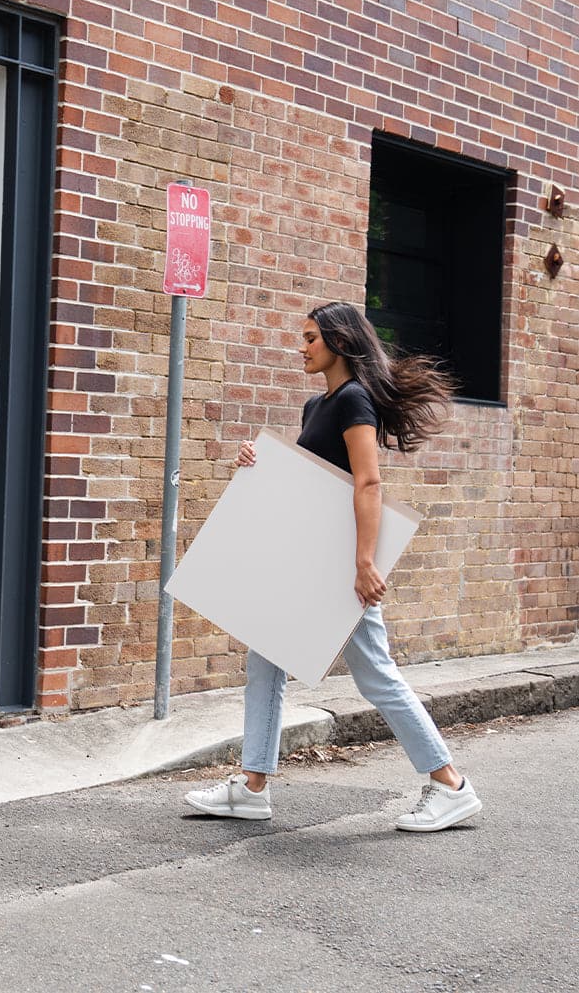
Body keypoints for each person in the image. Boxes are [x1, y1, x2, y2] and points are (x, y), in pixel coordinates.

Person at [184, 301, 482, 833]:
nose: (302, 348)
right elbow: (309, 488)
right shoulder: (314, 407)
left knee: (376, 677)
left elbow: (368, 483)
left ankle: (451, 785)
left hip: (343, 567)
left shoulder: (354, 401)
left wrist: (364, 563)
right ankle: (253, 788)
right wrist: (259, 463)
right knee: (264, 663)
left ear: (339, 342)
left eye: (309, 338)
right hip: (310, 564)